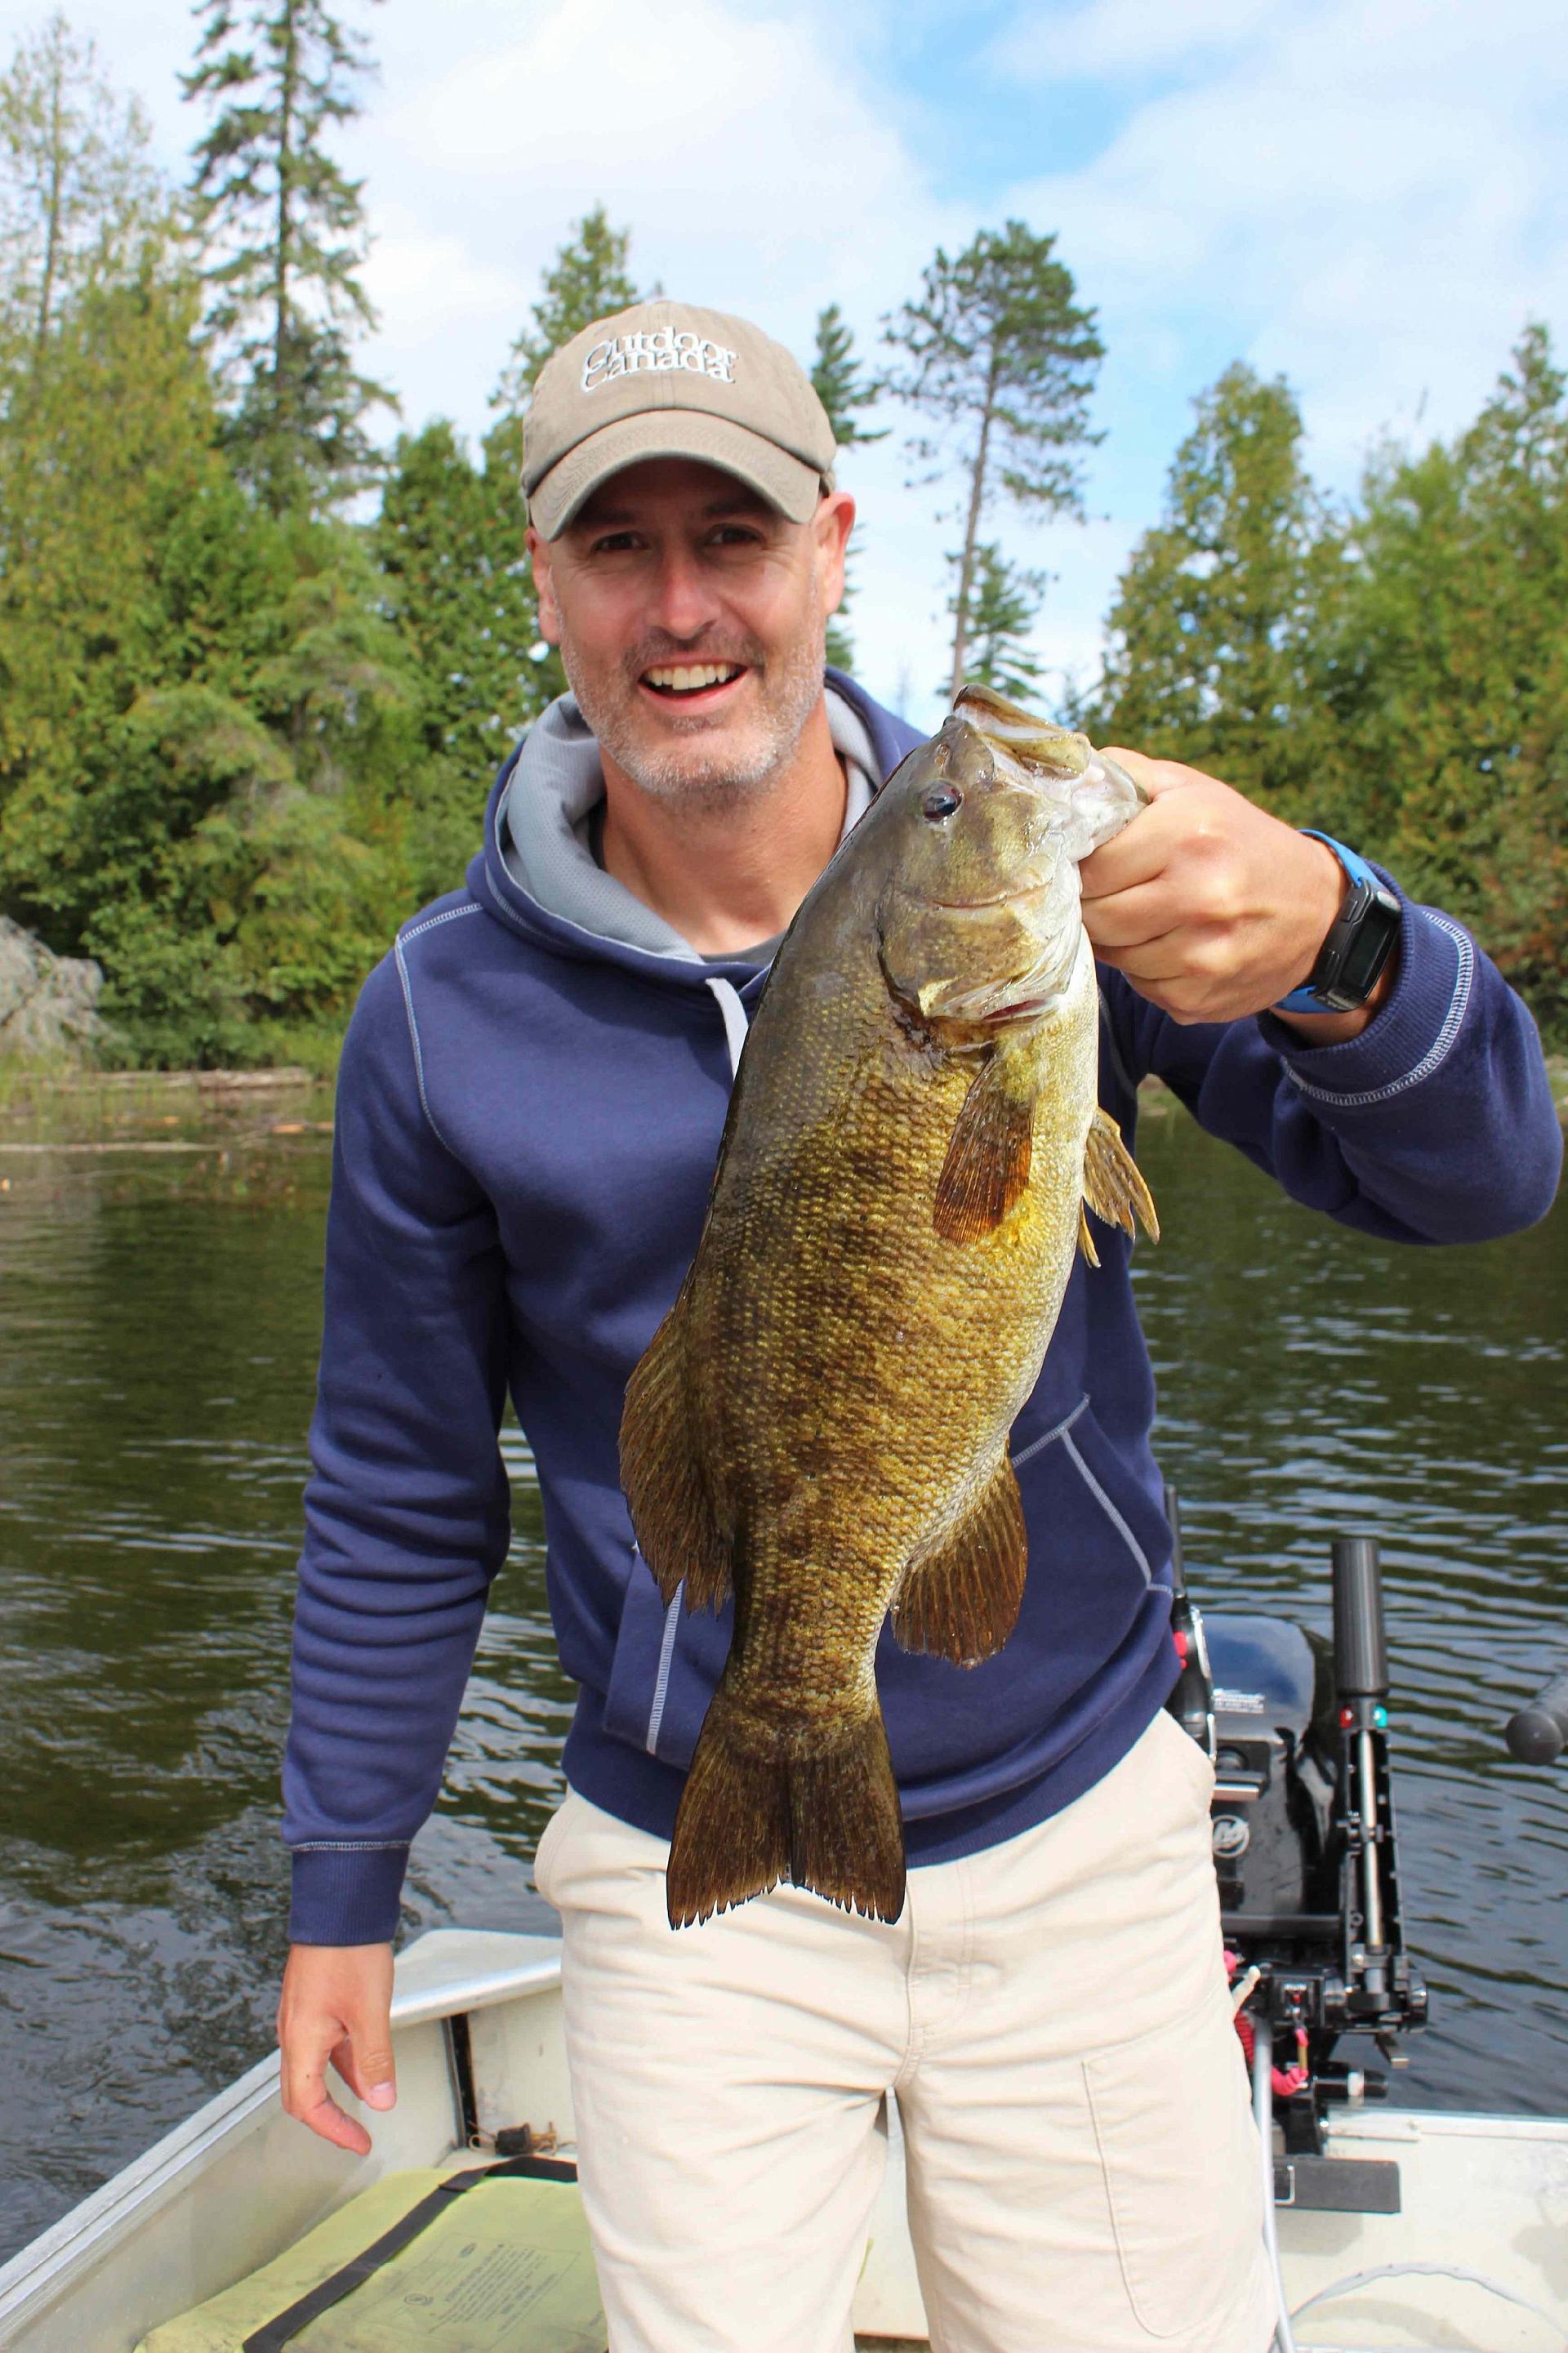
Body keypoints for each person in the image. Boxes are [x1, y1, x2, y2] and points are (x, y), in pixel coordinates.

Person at [274, 299, 1561, 2353]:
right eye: (622, 546)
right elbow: (403, 1495)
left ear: (831, 548)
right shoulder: (438, 1014)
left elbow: (1481, 1181)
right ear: (548, 582)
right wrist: (343, 1884)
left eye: (738, 537)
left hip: (1080, 1832)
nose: (685, 605)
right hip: (685, 1845)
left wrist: (1345, 933)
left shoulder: (1069, 906)